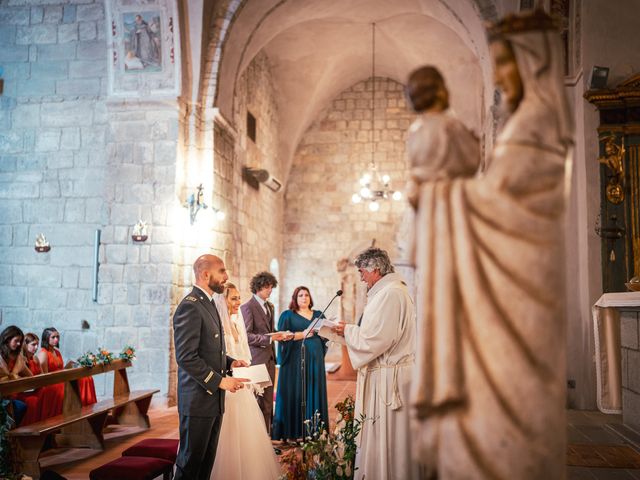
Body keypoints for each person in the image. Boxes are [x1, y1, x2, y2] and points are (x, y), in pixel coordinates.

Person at [409, 10, 574, 479]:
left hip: (523, 285)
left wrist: (434, 193)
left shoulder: (536, 126)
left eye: (506, 63)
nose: (500, 75)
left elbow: (502, 204)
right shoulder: (525, 125)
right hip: (513, 285)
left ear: (533, 63)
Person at [332, 247, 417, 480]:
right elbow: (376, 334)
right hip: (386, 373)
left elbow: (377, 339)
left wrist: (347, 330)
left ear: (375, 269)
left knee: (388, 437)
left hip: (389, 378)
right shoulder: (388, 292)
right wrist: (345, 332)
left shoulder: (391, 293)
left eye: (362, 272)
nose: (360, 277)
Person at [173, 254, 249, 480]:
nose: (226, 277)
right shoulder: (190, 306)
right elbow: (186, 357)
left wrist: (230, 362)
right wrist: (220, 381)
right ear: (206, 274)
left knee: (205, 464)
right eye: (222, 271)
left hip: (213, 400)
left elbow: (210, 349)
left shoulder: (208, 303)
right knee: (190, 464)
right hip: (198, 399)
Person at [211, 282, 281, 480]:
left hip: (242, 385)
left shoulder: (235, 322)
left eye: (239, 298)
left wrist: (249, 369)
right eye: (233, 298)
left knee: (247, 437)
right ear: (222, 300)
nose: (238, 302)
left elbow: (243, 352)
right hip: (226, 386)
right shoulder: (216, 326)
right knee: (227, 436)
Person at [272, 286, 329, 442]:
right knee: (296, 392)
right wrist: (301, 335)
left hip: (315, 362)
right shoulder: (287, 315)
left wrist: (330, 331)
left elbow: (326, 336)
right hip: (294, 361)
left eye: (307, 295)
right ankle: (294, 432)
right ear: (295, 299)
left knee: (313, 391)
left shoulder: (319, 315)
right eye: (301, 295)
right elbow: (282, 337)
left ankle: (315, 432)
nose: (304, 298)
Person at [241, 271, 293, 433]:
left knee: (268, 403)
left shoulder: (270, 306)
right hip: (256, 361)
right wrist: (270, 339)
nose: (270, 290)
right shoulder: (247, 307)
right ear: (257, 287)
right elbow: (247, 336)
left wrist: (281, 334)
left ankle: (266, 440)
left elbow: (269, 330)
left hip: (270, 360)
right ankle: (255, 439)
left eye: (271, 287)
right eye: (266, 287)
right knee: (256, 402)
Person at [36, 328, 97, 416]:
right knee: (73, 384)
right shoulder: (43, 353)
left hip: (60, 379)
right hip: (51, 384)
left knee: (86, 378)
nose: (56, 339)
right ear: (46, 338)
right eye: (53, 337)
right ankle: (73, 412)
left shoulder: (57, 352)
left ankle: (87, 409)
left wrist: (69, 365)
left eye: (57, 337)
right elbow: (45, 377)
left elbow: (60, 370)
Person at [0, 326, 33, 426]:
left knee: (21, 407)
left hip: (8, 397)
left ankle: (8, 436)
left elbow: (30, 377)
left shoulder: (18, 359)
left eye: (20, 341)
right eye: (16, 341)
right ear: (7, 339)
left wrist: (17, 378)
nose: (19, 344)